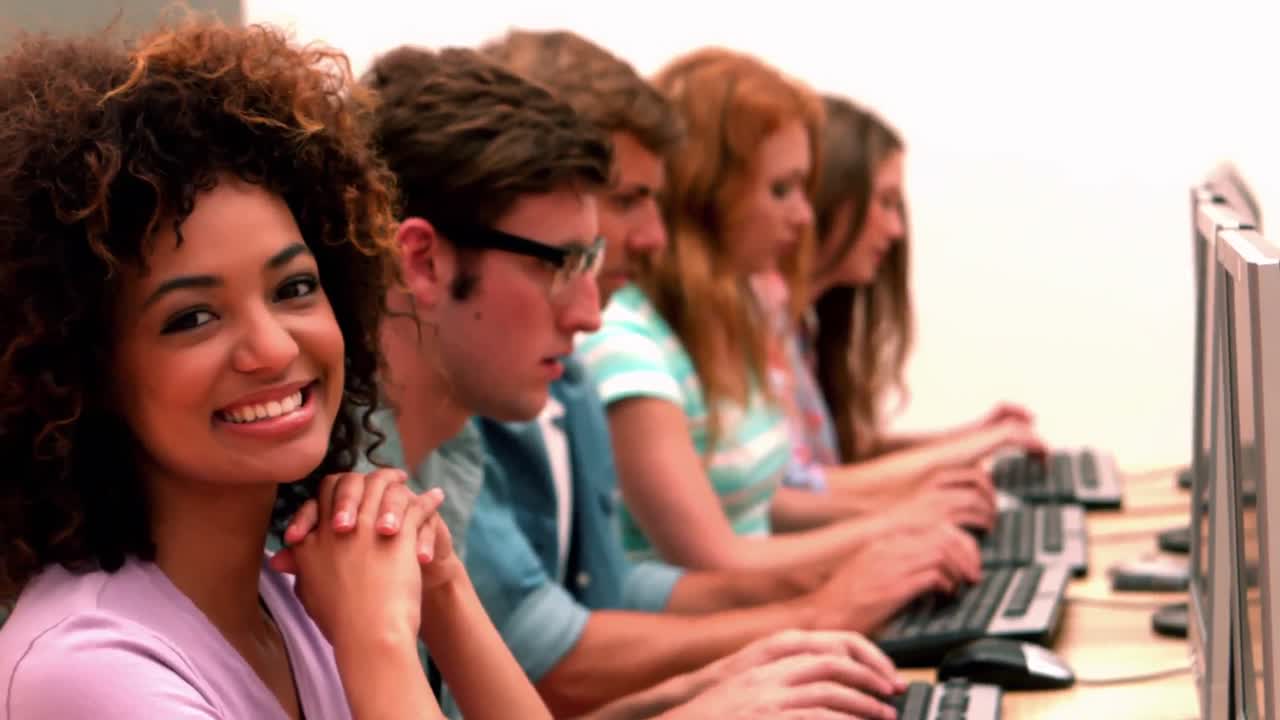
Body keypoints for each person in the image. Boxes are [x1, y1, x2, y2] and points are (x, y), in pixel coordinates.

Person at [280, 41, 907, 720]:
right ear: (423, 262)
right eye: (561, 264)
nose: (588, 314)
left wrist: (702, 691)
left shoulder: (449, 450)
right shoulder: (323, 503)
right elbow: (556, 657)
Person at [0, 19, 541, 720]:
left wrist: (445, 596)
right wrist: (378, 640)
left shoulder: (297, 601)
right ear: (84, 371)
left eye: (294, 289)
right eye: (193, 318)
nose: (276, 348)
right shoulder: (88, 671)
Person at [578, 48, 986, 579]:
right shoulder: (625, 343)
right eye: (781, 189)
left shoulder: (726, 320)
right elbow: (715, 558)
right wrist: (896, 529)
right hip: (721, 628)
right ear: (710, 193)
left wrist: (909, 516)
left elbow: (769, 502)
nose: (802, 215)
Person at [764, 95, 1046, 506]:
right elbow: (802, 487)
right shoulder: (759, 328)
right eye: (885, 203)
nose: (896, 230)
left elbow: (843, 456)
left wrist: (970, 438)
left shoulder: (801, 325)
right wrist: (962, 455)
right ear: (831, 197)